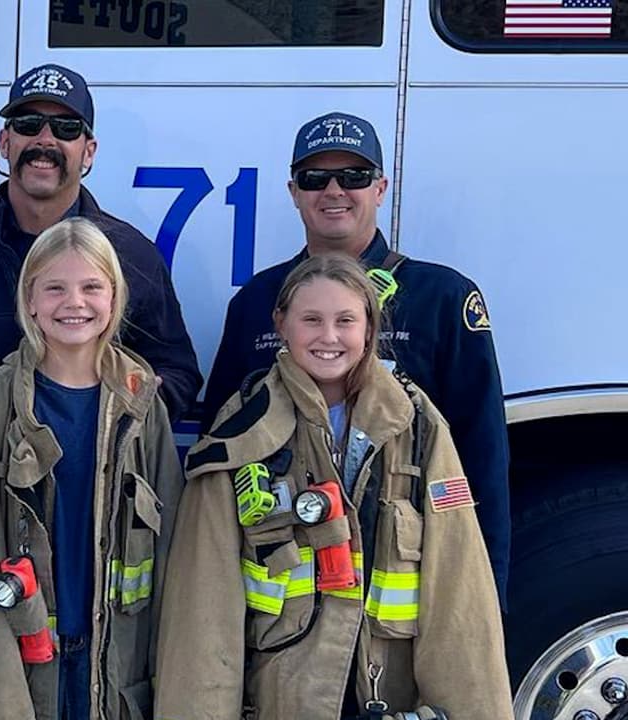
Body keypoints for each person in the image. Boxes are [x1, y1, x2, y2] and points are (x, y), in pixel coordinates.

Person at [157, 254, 511, 719]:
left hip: (387, 700)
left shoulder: (417, 427)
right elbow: (204, 609)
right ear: (281, 325)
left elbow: (458, 594)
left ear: (369, 328)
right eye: (311, 320)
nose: (328, 337)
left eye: (346, 320)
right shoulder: (240, 434)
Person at [198, 111, 510, 603]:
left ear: (381, 188)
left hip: (396, 573)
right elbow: (217, 443)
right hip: (284, 583)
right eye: (315, 178)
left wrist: (487, 591)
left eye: (355, 177)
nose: (335, 190)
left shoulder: (442, 298)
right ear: (294, 191)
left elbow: (482, 456)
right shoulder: (256, 301)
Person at [0, 217, 183, 719]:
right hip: (22, 665)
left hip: (116, 667)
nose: (74, 303)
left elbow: (174, 554)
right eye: (54, 288)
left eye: (91, 287)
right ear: (29, 300)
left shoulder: (142, 406)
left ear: (115, 298)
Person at [0, 63, 203, 421]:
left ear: (88, 151)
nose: (45, 140)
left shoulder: (132, 255)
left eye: (66, 129)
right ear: (5, 142)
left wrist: (118, 419)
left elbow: (178, 374)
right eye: (28, 125)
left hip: (93, 473)